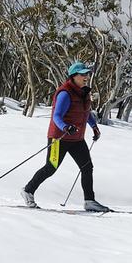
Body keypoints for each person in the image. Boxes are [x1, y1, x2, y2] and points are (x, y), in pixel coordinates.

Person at [21, 61, 109, 211]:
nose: (86, 76)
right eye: (82, 74)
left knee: (87, 168)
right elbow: (57, 116)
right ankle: (28, 190)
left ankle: (89, 201)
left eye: (87, 74)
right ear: (73, 76)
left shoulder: (84, 93)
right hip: (59, 138)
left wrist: (94, 127)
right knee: (51, 167)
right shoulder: (64, 93)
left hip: (77, 139)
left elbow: (85, 113)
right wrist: (65, 127)